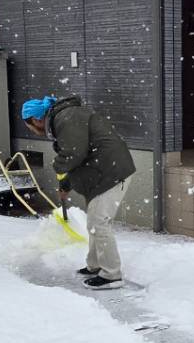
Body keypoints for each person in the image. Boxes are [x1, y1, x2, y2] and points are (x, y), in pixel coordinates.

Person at [20, 94, 136, 290]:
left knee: (99, 223)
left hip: (112, 173)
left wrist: (57, 166)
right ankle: (95, 266)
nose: (32, 131)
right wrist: (66, 185)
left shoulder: (66, 117)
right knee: (94, 223)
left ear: (37, 119)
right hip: (104, 172)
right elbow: (78, 156)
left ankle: (112, 275)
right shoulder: (64, 117)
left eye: (30, 126)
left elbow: (74, 152)